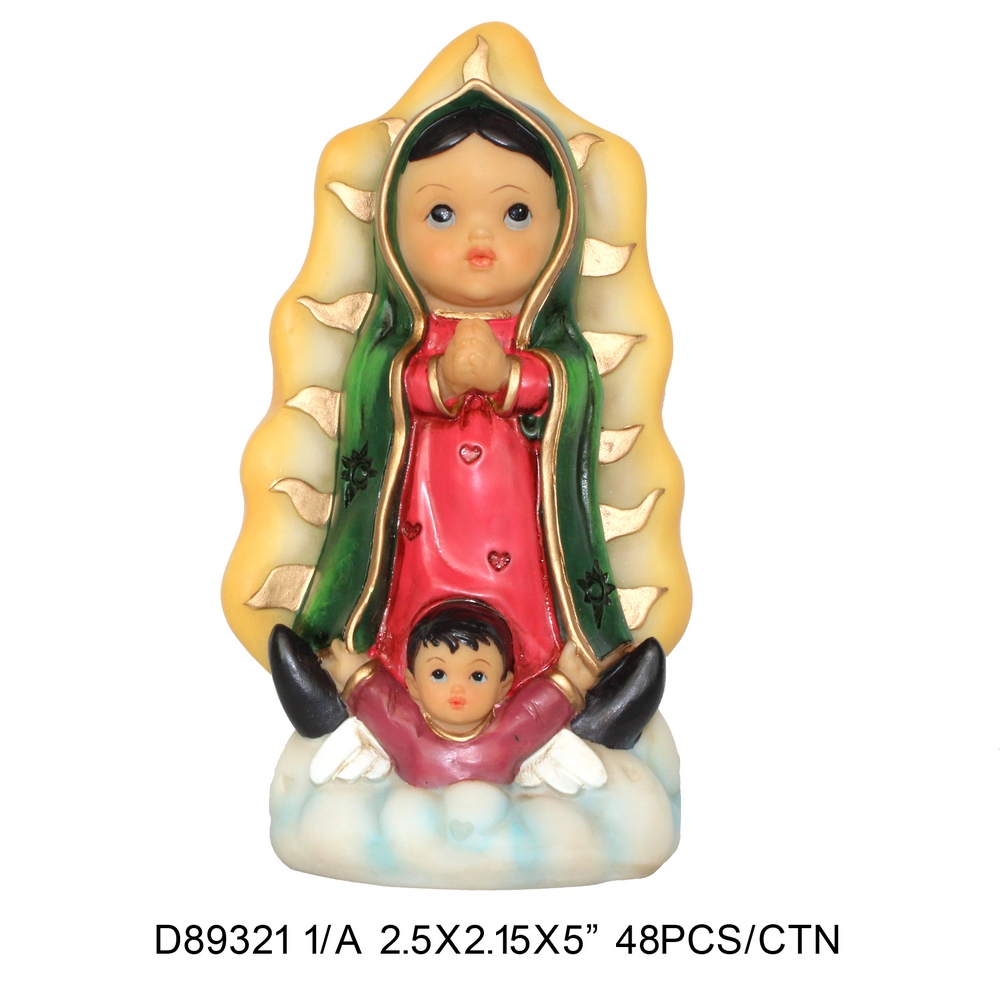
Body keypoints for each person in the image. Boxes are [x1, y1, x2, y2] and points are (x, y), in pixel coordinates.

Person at [271, 90, 665, 755]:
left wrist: (512, 377)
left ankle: (571, 696)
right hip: (421, 543)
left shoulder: (555, 348)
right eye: (442, 214)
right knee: (413, 622)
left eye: (516, 213)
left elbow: (573, 390)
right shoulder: (394, 346)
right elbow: (373, 401)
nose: (479, 240)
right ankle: (357, 688)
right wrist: (436, 381)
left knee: (532, 624)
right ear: (392, 230)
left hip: (523, 546)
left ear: (562, 229)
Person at [314, 605, 596, 788]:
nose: (458, 689)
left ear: (503, 686)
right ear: (412, 685)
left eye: (477, 676)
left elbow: (533, 713)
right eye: (439, 674)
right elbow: (386, 705)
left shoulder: (507, 735)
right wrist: (354, 672)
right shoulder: (411, 733)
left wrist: (569, 680)